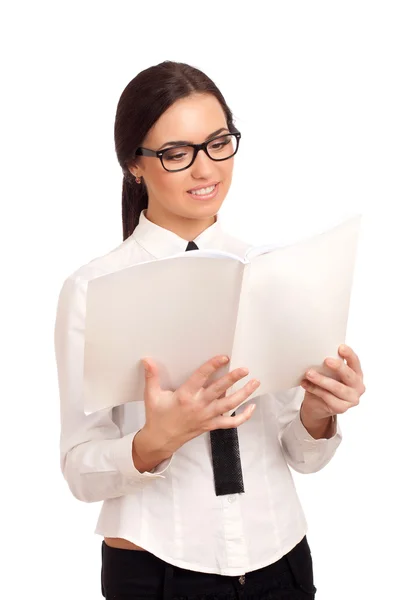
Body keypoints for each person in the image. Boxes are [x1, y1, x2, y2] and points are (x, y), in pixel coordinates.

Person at [54, 60, 366, 599]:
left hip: (282, 563)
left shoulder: (275, 270)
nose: (206, 169)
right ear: (134, 165)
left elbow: (302, 455)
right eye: (178, 154)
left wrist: (319, 415)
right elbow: (80, 468)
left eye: (218, 142)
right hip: (156, 572)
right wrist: (156, 442)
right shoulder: (96, 287)